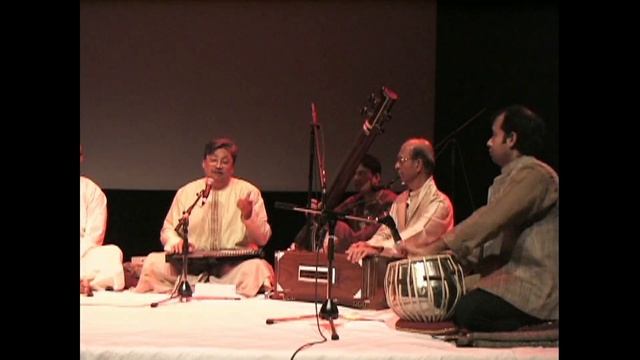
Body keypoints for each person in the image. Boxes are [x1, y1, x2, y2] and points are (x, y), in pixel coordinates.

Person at [400, 105, 558, 332]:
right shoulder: (503, 182)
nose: (488, 142)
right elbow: (485, 241)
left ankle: (542, 324)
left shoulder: (537, 175)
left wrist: (436, 246)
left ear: (512, 139)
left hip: (533, 283)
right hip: (504, 277)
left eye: (494, 135)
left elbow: (491, 220)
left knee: (469, 310)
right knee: (439, 297)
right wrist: (445, 263)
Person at [133, 138, 274, 297]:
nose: (218, 165)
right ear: (204, 163)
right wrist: (176, 242)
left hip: (232, 267)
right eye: (213, 160)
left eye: (225, 161)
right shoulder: (187, 192)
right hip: (191, 266)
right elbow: (168, 229)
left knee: (257, 269)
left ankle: (198, 287)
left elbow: (262, 239)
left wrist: (249, 216)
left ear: (232, 167)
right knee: (153, 262)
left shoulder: (248, 192)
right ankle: (206, 287)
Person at [346, 138, 454, 263]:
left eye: (401, 160)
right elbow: (386, 232)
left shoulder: (440, 203)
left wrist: (377, 248)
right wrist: (365, 245)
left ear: (418, 165)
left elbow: (416, 235)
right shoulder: (400, 200)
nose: (396, 166)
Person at [316, 154, 397, 253]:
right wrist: (318, 213)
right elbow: (332, 214)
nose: (356, 178)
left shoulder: (391, 202)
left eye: (361, 173)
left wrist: (338, 226)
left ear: (376, 177)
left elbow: (365, 237)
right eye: (355, 174)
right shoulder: (356, 200)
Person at [80, 145, 125, 292]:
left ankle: (84, 283)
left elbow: (94, 237)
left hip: (82, 256)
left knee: (112, 255)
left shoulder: (92, 191)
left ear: (81, 158)